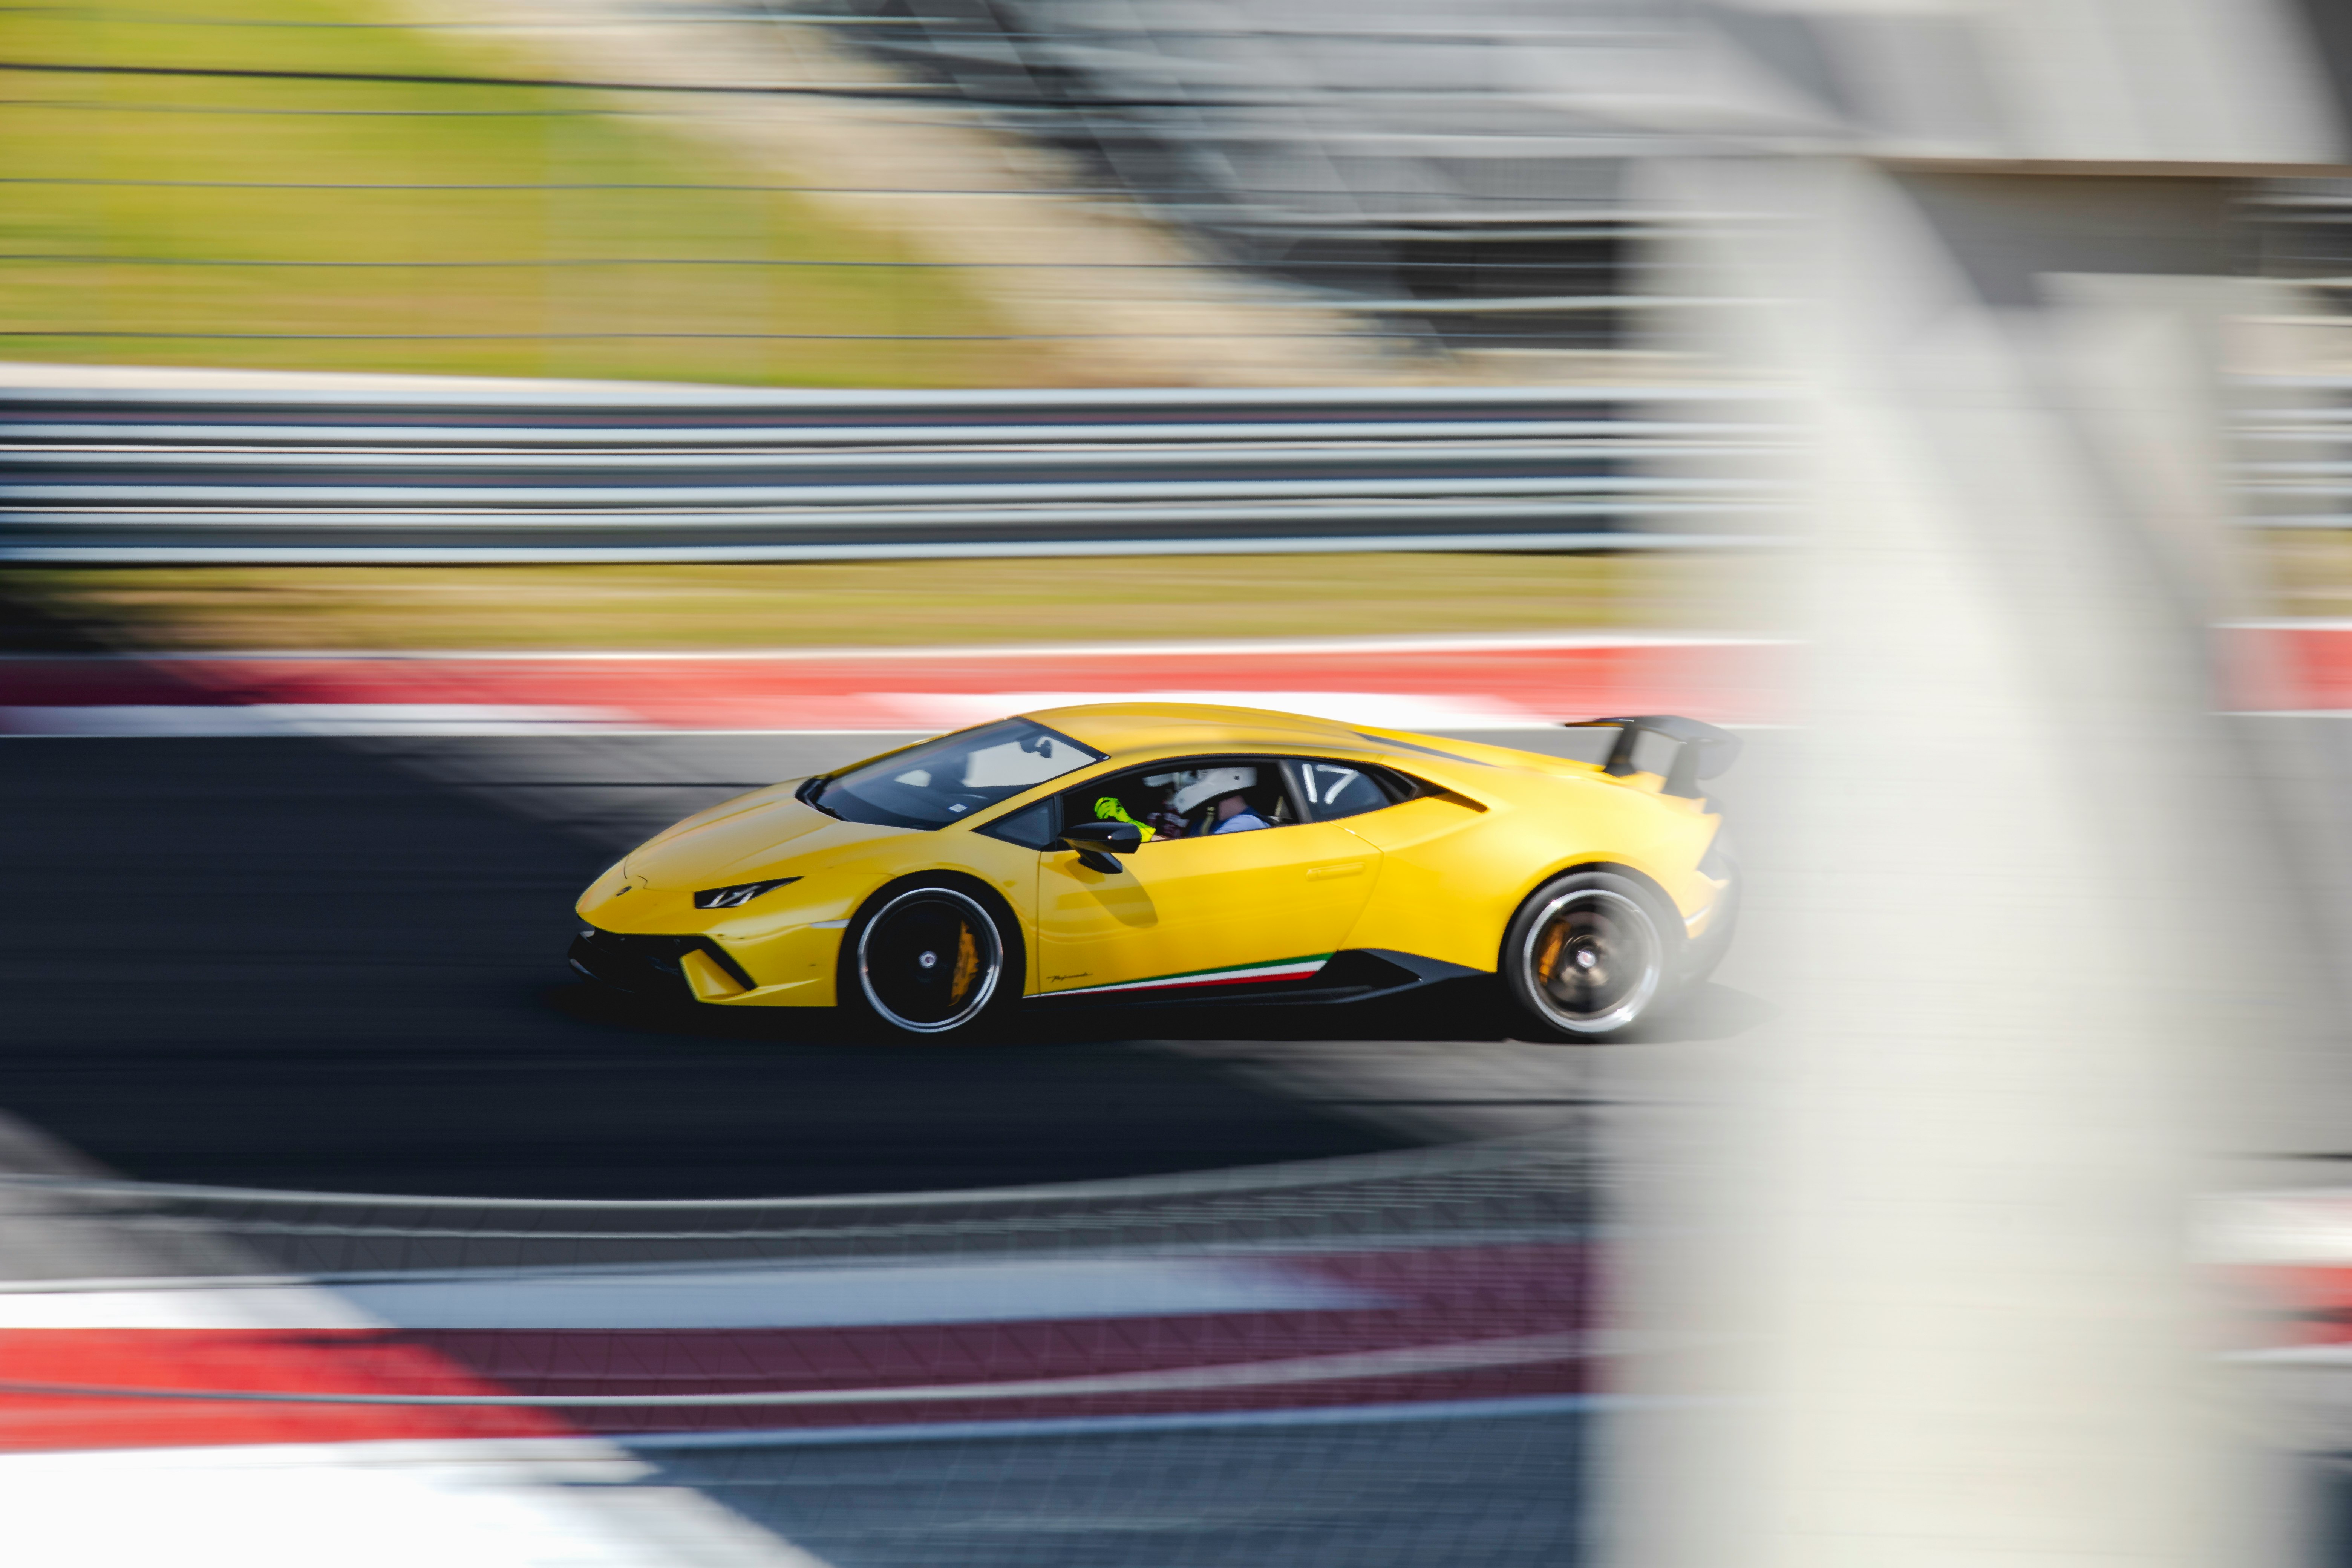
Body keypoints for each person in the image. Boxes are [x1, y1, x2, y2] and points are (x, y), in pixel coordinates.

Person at [1161, 766, 1270, 835]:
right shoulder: (1205, 820)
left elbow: (1193, 856)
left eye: (1201, 774)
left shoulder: (1248, 824)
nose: (1194, 781)